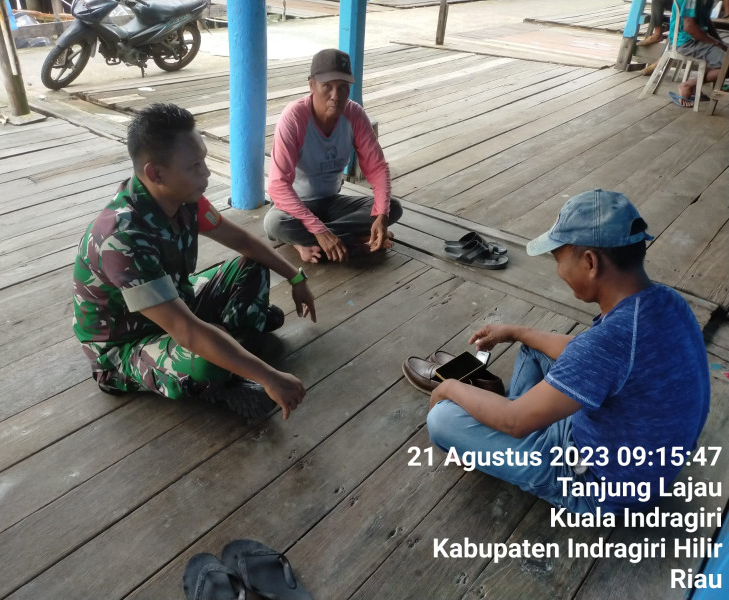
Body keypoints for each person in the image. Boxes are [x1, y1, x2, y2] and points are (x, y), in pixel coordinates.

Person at [425, 190, 710, 513]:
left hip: (598, 485)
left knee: (442, 418)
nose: (559, 272)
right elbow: (591, 357)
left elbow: (515, 422)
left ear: (590, 262)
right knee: (533, 347)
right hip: (643, 454)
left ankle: (510, 421)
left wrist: (448, 388)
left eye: (559, 260)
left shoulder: (611, 340)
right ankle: (525, 413)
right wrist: (518, 332)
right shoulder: (667, 300)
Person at [72, 103, 317, 420]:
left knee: (253, 265)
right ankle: (228, 371)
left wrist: (296, 278)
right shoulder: (123, 238)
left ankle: (229, 340)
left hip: (176, 300)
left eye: (203, 160)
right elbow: (184, 330)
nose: (207, 172)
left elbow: (242, 241)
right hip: (127, 343)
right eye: (195, 166)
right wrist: (269, 377)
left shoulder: (183, 199)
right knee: (206, 359)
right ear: (156, 173)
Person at [264, 48, 403, 264]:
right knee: (274, 224)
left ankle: (309, 242)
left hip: (332, 201)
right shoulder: (294, 117)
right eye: (327, 86)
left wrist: (382, 215)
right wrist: (319, 229)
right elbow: (278, 186)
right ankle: (352, 239)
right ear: (312, 85)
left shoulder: (354, 114)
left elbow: (377, 168)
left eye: (343, 87)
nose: (336, 96)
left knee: (391, 207)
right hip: (296, 205)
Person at [670, 0, 728, 107]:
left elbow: (707, 22)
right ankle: (688, 85)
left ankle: (696, 85)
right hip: (687, 42)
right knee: (727, 64)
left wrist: (720, 42)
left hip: (699, 39)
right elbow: (689, 27)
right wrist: (716, 43)